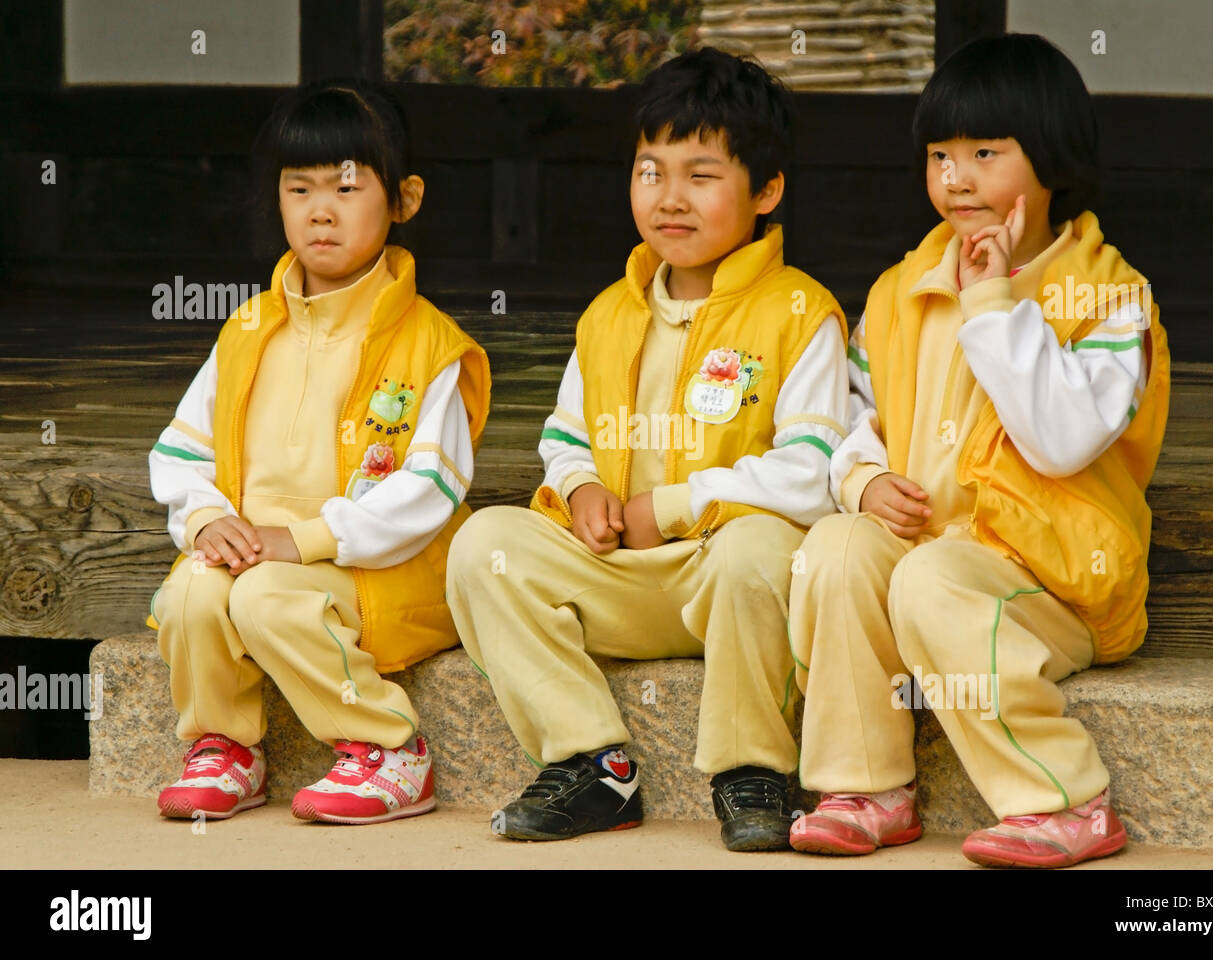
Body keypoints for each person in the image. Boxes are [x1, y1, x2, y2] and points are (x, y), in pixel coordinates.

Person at [445, 48, 849, 851]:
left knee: (767, 546)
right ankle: (592, 762)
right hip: (619, 574)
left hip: (725, 579)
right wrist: (583, 486)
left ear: (766, 190)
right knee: (481, 544)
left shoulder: (802, 312)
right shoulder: (608, 315)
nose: (669, 198)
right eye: (649, 171)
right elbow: (565, 434)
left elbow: (814, 472)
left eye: (701, 176)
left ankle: (752, 769)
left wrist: (667, 508)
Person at [788, 33, 1171, 866]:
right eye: (939, 155)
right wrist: (863, 477)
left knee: (930, 577)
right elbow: (858, 414)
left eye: (984, 153)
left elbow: (1063, 440)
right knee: (836, 547)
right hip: (935, 566)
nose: (954, 178)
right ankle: (867, 787)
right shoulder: (901, 292)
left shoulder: (1107, 295)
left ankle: (1064, 799)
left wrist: (997, 305)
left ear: (1051, 159)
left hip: (1056, 582)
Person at [145, 79, 490, 825]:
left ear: (405, 199)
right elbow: (179, 449)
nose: (319, 210)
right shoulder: (247, 329)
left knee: (267, 596)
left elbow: (428, 491)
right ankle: (224, 747)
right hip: (258, 556)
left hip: (377, 571)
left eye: (346, 186)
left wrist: (300, 541)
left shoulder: (428, 343)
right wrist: (205, 518)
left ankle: (388, 749)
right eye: (298, 188)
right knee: (192, 591)